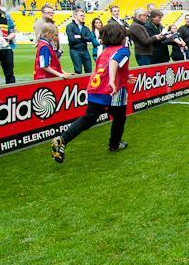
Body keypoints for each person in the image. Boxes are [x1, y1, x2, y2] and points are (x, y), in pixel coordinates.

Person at [50, 22, 137, 163]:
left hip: (95, 89)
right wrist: (113, 80)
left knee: (88, 118)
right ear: (120, 37)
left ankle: (62, 139)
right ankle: (114, 145)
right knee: (119, 118)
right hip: (111, 91)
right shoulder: (123, 50)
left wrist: (123, 77)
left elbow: (105, 69)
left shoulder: (103, 52)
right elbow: (114, 62)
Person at [66, 9, 94, 74]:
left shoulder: (85, 28)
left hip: (84, 50)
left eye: (84, 16)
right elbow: (72, 39)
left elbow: (90, 39)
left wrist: (80, 37)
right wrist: (84, 38)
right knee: (78, 70)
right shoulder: (70, 26)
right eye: (81, 15)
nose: (83, 17)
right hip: (75, 50)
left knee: (89, 69)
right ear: (75, 16)